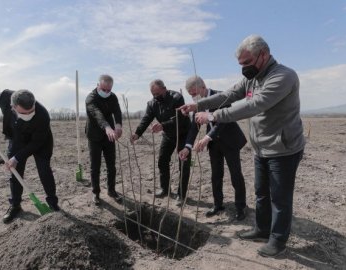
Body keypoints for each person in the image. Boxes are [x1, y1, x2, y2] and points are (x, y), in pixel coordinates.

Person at [179, 35, 305, 257]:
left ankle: (278, 241)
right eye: (240, 64)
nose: (243, 68)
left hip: (283, 148)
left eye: (246, 62)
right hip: (261, 147)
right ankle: (262, 229)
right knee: (261, 193)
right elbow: (229, 95)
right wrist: (197, 104)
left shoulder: (283, 76)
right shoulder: (252, 78)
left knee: (279, 197)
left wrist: (212, 115)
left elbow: (253, 105)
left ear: (263, 55)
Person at [0, 89, 59, 224]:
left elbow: (36, 143)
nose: (29, 114)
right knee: (15, 172)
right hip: (17, 137)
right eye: (24, 113)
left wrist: (17, 157)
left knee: (44, 170)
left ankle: (53, 203)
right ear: (13, 107)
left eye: (31, 111)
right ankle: (15, 205)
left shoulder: (43, 115)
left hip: (40, 142)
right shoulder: (5, 97)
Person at [178, 75, 247, 221]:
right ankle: (218, 205)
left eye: (194, 93)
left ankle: (241, 207)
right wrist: (187, 147)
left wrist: (207, 137)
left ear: (203, 87)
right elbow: (194, 127)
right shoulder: (197, 105)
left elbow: (224, 120)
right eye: (190, 95)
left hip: (230, 141)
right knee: (216, 175)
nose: (193, 97)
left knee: (236, 175)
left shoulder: (220, 96)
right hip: (214, 145)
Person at [130, 79, 191, 206]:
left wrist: (163, 125)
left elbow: (179, 118)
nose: (155, 96)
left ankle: (181, 194)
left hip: (183, 134)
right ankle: (165, 189)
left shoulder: (177, 97)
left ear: (164, 89)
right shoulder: (152, 103)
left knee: (183, 164)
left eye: (157, 93)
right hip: (168, 135)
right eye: (153, 94)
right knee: (162, 160)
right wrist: (137, 133)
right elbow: (146, 119)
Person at [85, 74, 123, 205]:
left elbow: (117, 111)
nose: (106, 92)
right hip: (95, 136)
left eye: (109, 90)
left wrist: (118, 125)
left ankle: (111, 190)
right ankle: (96, 193)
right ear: (98, 85)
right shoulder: (91, 98)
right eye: (104, 89)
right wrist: (107, 127)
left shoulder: (113, 97)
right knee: (95, 166)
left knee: (111, 165)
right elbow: (97, 114)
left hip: (110, 136)